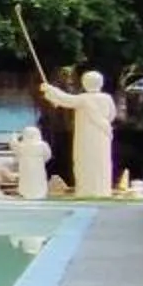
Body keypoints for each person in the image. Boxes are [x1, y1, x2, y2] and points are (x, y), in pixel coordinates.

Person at [39, 70, 120, 200]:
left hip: (86, 137)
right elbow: (112, 115)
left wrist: (50, 89)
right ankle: (101, 189)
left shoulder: (83, 99)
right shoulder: (107, 98)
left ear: (84, 83)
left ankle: (87, 189)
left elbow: (65, 99)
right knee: (100, 161)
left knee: (85, 160)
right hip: (102, 134)